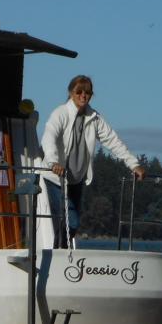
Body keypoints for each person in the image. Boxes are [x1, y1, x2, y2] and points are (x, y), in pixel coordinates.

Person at [41, 74, 145, 248]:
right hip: (55, 177)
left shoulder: (94, 118)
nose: (83, 95)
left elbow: (113, 141)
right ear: (70, 92)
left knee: (70, 224)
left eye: (87, 92)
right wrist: (53, 163)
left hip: (76, 179)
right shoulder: (60, 113)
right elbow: (49, 137)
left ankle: (61, 254)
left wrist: (133, 164)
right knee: (66, 221)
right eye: (79, 91)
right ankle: (58, 255)